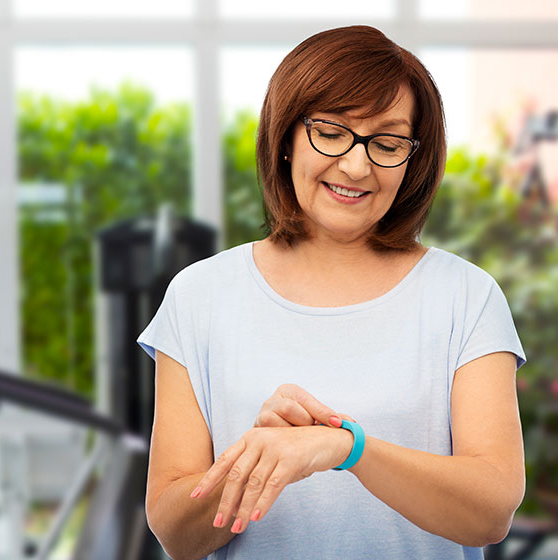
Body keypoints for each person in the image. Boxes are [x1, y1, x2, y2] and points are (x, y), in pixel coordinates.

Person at [137, 25, 526, 560]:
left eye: (387, 143)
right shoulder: (199, 296)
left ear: (413, 160)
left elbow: (491, 511)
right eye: (332, 132)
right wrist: (257, 459)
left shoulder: (466, 296)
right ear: (286, 139)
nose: (357, 165)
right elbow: (176, 534)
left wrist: (346, 449)